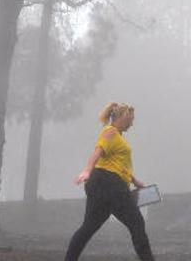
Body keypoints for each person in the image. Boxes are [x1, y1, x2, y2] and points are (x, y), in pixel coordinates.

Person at [64, 102, 155, 261]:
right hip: (108, 182)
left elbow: (120, 165)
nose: (132, 124)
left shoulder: (118, 137)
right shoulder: (110, 132)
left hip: (101, 182)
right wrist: (87, 170)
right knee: (137, 222)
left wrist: (135, 181)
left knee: (89, 227)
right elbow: (97, 152)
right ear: (121, 117)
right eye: (130, 120)